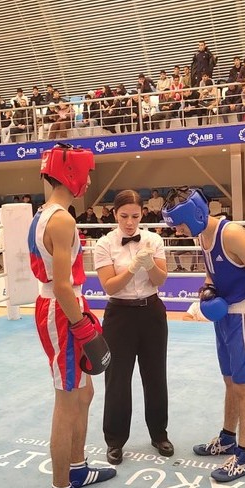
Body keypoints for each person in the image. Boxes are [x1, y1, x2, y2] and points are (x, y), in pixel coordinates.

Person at [161, 187, 245, 483]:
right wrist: (208, 288)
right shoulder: (201, 236)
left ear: (195, 215)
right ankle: (227, 438)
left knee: (244, 386)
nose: (178, 231)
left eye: (180, 225)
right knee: (230, 381)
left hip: (244, 316)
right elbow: (212, 271)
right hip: (224, 318)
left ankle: (243, 457)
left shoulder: (231, 234)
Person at [28, 144, 114, 488]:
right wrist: (80, 325)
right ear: (70, 173)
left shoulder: (45, 213)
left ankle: (77, 467)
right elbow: (62, 285)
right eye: (87, 173)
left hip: (65, 306)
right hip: (62, 310)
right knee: (66, 402)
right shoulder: (61, 220)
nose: (90, 180)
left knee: (85, 392)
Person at [93, 190, 172, 466]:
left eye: (135, 216)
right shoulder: (104, 244)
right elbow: (109, 286)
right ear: (115, 214)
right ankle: (114, 441)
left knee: (155, 376)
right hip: (119, 316)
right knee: (117, 379)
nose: (129, 222)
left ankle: (159, 434)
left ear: (142, 215)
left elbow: (160, 280)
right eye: (124, 216)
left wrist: (149, 264)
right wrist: (133, 268)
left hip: (151, 312)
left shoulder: (153, 240)